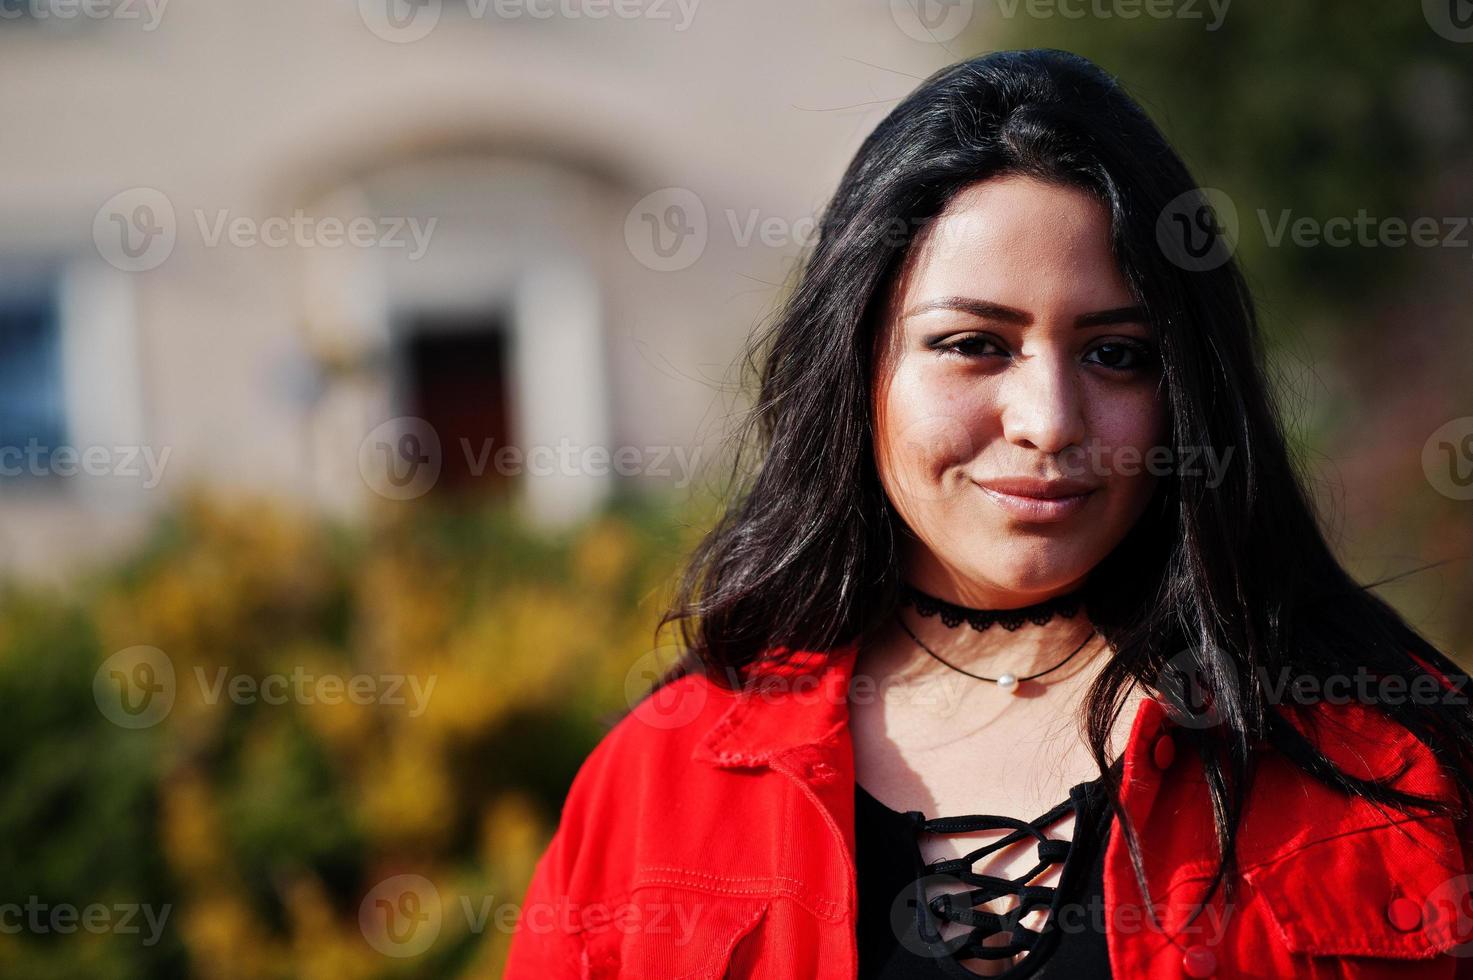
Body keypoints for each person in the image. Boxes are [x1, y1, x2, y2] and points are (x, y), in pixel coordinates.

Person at [503, 48, 1473, 978]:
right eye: (974, 343)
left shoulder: (1394, 756)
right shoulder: (661, 780)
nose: (1049, 421)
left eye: (1118, 353)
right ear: (856, 364)